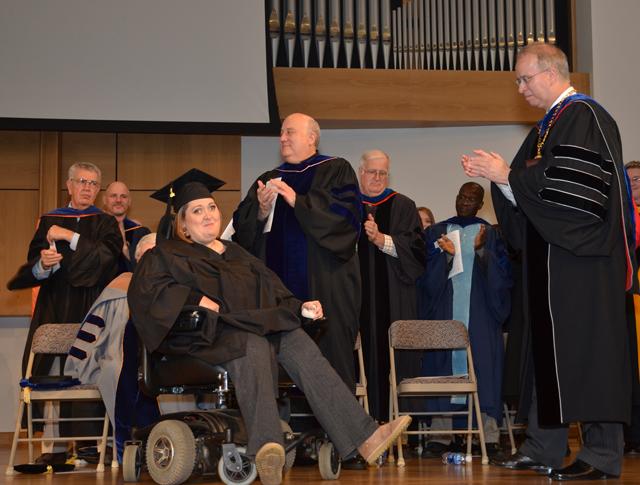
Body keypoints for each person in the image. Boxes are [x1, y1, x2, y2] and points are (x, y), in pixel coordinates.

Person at [128, 169, 411, 485]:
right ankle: (266, 447)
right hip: (201, 338)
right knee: (254, 342)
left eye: (211, 208)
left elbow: (272, 290)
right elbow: (147, 294)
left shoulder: (236, 253)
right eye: (197, 211)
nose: (208, 215)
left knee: (293, 337)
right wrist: (194, 298)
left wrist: (298, 307)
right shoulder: (166, 254)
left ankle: (365, 436)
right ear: (183, 224)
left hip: (247, 329)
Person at [461, 43, 636, 480]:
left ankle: (600, 455)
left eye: (524, 78)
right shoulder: (546, 128)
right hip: (551, 264)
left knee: (591, 355)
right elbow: (530, 193)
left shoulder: (585, 116)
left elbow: (575, 191)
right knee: (547, 356)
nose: (519, 89)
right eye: (517, 81)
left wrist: (508, 175)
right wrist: (506, 182)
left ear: (552, 72)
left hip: (583, 262)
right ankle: (543, 446)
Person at [232, 113, 362, 391]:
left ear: (311, 137)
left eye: (289, 132)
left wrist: (297, 200)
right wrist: (261, 211)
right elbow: (241, 231)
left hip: (324, 282)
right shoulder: (269, 178)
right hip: (276, 291)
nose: (282, 138)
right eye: (281, 133)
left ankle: (338, 431)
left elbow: (345, 220)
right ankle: (281, 430)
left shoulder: (336, 169)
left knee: (329, 361)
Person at [7, 162, 123, 464]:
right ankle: (54, 448)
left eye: (93, 183)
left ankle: (91, 446)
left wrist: (68, 236)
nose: (87, 187)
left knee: (88, 370)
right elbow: (32, 266)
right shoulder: (49, 219)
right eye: (81, 181)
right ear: (68, 185)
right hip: (55, 304)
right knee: (55, 370)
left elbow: (106, 261)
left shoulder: (106, 223)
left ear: (98, 190)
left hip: (92, 304)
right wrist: (45, 265)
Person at [417, 182, 511, 458]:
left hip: (481, 313)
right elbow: (422, 274)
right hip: (445, 311)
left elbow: (504, 276)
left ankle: (488, 433)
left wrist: (483, 252)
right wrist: (443, 256)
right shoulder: (437, 231)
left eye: (472, 199)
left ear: (480, 205)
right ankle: (441, 434)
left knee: (484, 367)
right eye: (462, 196)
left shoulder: (490, 234)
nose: (465, 202)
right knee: (442, 366)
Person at [64, 233, 160, 463]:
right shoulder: (121, 285)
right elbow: (94, 334)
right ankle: (129, 448)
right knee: (116, 369)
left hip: (159, 365)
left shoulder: (170, 289)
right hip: (117, 358)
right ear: (137, 257)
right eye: (149, 253)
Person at [357, 149, 425, 423]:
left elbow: (418, 253)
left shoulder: (404, 206)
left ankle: (395, 423)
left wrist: (381, 239)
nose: (377, 178)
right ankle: (355, 426)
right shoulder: (345, 206)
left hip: (394, 299)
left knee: (393, 361)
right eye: (372, 172)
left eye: (382, 173)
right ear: (361, 172)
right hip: (355, 301)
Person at [624, 161, 640, 454]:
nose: (634, 183)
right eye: (629, 180)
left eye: (638, 178)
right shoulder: (622, 216)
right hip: (629, 297)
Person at [102, 180, 151, 273]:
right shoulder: (95, 229)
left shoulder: (141, 233)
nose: (118, 200)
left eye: (123, 196)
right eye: (113, 196)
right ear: (104, 200)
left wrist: (125, 249)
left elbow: (147, 270)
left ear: (129, 201)